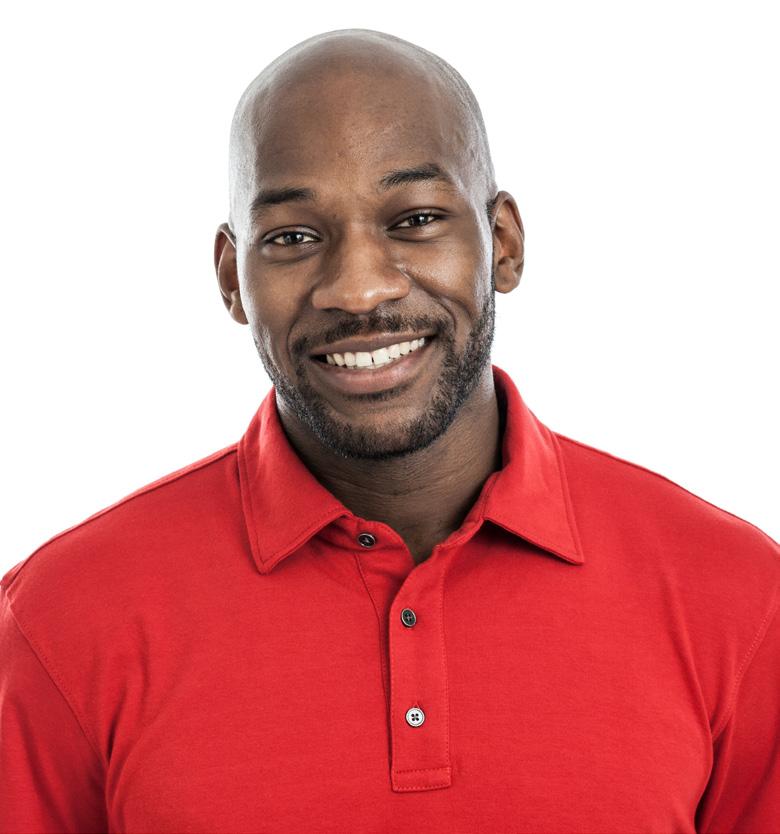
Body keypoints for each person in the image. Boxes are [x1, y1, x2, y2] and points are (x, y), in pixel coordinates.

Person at [1, 28, 777, 834]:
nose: (359, 289)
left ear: (503, 245)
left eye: (414, 219)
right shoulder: (60, 622)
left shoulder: (738, 600)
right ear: (232, 278)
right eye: (294, 237)